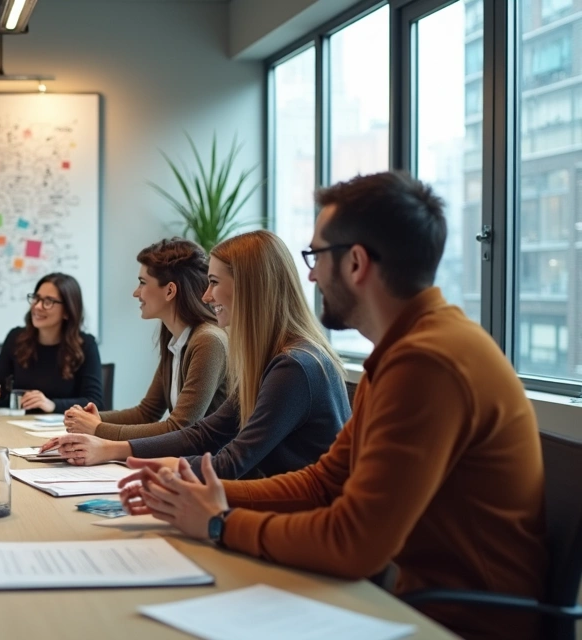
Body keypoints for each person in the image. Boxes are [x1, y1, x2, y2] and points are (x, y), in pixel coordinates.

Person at [119, 172, 546, 640]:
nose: (311, 274)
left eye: (317, 256)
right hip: (410, 605)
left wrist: (221, 524)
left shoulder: (429, 361)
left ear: (357, 263)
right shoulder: (404, 349)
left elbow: (354, 544)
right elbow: (325, 481)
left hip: (455, 624)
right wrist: (194, 497)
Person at [42, 230, 348, 481]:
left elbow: (229, 461)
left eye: (214, 283)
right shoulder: (271, 359)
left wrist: (113, 448)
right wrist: (109, 448)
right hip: (262, 502)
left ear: (249, 288)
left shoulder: (292, 366)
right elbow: (206, 433)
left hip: (293, 519)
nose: (206, 296)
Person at [64, 239, 227, 437]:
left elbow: (180, 428)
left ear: (170, 291)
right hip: (187, 460)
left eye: (142, 283)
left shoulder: (208, 341)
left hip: (211, 465)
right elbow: (147, 413)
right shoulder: (175, 338)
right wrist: (89, 418)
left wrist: (97, 428)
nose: (136, 293)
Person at [0, 273, 103, 413]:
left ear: (67, 312)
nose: (38, 306)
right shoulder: (16, 338)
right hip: (19, 426)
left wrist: (52, 405)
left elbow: (96, 403)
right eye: (36, 298)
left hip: (65, 429)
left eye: (48, 302)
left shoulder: (85, 344)